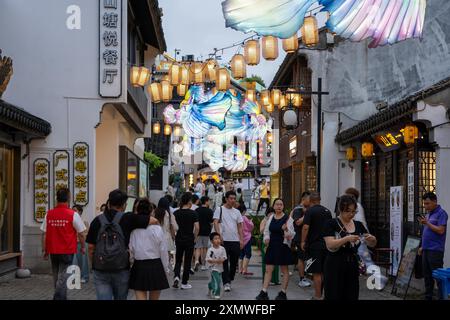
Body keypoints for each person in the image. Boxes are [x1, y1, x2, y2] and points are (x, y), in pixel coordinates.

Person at [86, 190, 159, 300]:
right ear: (124, 205)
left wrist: (94, 263)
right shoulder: (128, 218)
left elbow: (91, 247)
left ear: (108, 203)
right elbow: (154, 220)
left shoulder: (97, 221)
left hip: (100, 268)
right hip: (121, 267)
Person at [323, 195, 377, 300]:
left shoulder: (358, 225)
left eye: (354, 211)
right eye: (348, 211)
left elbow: (371, 244)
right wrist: (347, 239)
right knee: (334, 294)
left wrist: (372, 239)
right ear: (340, 209)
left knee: (351, 294)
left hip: (352, 265)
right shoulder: (331, 223)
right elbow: (330, 244)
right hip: (334, 264)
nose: (351, 214)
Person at [40, 188, 87, 300]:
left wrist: (45, 250)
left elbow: (44, 234)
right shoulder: (73, 214)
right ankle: (58, 297)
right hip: (67, 250)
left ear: (57, 199)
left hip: (53, 250)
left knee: (57, 276)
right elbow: (81, 233)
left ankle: (61, 297)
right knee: (63, 276)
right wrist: (83, 247)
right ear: (68, 198)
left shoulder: (49, 214)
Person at [129, 199, 170, 300]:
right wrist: (165, 268)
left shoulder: (134, 230)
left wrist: (131, 262)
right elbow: (163, 250)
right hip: (156, 265)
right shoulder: (157, 229)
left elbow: (131, 250)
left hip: (139, 266)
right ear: (151, 211)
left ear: (137, 211)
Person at [256, 198, 295, 300]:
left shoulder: (288, 219)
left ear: (283, 206)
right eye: (277, 204)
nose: (279, 206)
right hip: (272, 245)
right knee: (269, 269)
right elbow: (266, 231)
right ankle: (264, 292)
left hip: (283, 246)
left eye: (281, 204)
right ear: (273, 206)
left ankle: (283, 292)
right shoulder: (271, 218)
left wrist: (286, 229)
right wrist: (266, 239)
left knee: (284, 270)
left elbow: (291, 235)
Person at [301, 192, 332, 300]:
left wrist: (302, 241)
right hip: (326, 245)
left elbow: (305, 227)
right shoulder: (327, 211)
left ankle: (317, 296)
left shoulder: (310, 211)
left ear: (311, 200)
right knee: (323, 272)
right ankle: (322, 295)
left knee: (316, 273)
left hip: (314, 246)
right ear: (319, 199)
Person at [418, 192, 448, 300]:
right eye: (424, 204)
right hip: (426, 250)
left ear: (435, 201)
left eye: (428, 204)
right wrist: (422, 246)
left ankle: (442, 297)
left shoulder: (441, 213)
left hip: (435, 251)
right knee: (427, 276)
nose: (426, 206)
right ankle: (428, 297)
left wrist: (427, 223)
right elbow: (427, 232)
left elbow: (441, 230)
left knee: (438, 277)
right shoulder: (428, 214)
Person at [213, 191, 244, 292]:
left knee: (234, 262)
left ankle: (230, 278)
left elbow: (240, 227)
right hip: (224, 240)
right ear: (226, 199)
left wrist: (241, 240)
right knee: (224, 262)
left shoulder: (237, 212)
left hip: (235, 240)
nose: (233, 200)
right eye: (231, 198)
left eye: (234, 198)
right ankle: (226, 282)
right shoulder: (219, 209)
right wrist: (219, 236)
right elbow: (216, 222)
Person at [173, 192, 200, 290]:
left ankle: (176, 276)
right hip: (189, 239)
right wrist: (195, 237)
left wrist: (174, 236)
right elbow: (197, 227)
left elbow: (173, 227)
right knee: (188, 261)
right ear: (189, 202)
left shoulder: (176, 213)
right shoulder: (193, 213)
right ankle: (184, 282)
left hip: (179, 239)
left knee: (178, 260)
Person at [290, 191, 312, 288]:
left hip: (307, 238)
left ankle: (306, 276)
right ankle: (301, 279)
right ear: (304, 199)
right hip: (299, 238)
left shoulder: (307, 209)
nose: (311, 202)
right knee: (301, 258)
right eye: (309, 200)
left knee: (305, 258)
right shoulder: (298, 209)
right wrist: (306, 214)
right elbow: (298, 222)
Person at [260, 207, 280, 285]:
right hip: (266, 242)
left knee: (276, 261)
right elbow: (261, 231)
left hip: (275, 242)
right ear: (267, 214)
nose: (272, 215)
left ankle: (275, 280)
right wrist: (267, 225)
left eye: (273, 213)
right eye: (270, 213)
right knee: (267, 261)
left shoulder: (276, 220)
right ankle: (266, 280)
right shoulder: (264, 220)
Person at [194, 196, 214, 271]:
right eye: (208, 201)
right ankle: (203, 264)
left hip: (198, 231)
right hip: (206, 231)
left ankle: (196, 261)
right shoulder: (210, 211)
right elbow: (211, 222)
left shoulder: (196, 210)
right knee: (205, 248)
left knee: (198, 247)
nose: (209, 202)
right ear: (206, 201)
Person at [158, 197, 178, 270]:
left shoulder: (155, 212)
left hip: (156, 235)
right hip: (167, 236)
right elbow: (174, 227)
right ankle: (165, 268)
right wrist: (174, 236)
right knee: (167, 254)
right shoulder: (169, 214)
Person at [206, 232, 228, 300]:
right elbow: (208, 259)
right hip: (212, 268)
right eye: (215, 239)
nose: (218, 240)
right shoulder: (210, 250)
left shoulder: (222, 249)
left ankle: (210, 286)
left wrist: (222, 260)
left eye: (219, 238)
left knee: (214, 281)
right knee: (218, 280)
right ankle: (216, 294)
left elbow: (225, 257)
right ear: (211, 241)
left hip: (220, 268)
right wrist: (216, 261)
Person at [72, 205, 90, 283]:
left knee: (83, 261)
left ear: (80, 212)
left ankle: (85, 276)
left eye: (75, 210)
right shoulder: (71, 221)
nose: (73, 212)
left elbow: (85, 233)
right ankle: (74, 277)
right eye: (72, 210)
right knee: (74, 261)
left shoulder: (84, 222)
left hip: (82, 243)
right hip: (73, 243)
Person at [238, 204, 254, 276]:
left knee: (241, 254)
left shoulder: (237, 217)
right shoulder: (244, 217)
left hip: (239, 238)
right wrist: (251, 221)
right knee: (248, 254)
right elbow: (250, 227)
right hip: (247, 238)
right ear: (244, 211)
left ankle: (240, 269)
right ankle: (245, 269)